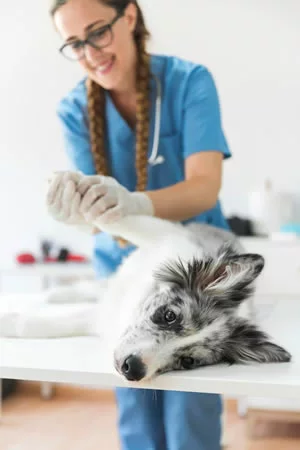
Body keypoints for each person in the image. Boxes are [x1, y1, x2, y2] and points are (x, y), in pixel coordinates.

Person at [47, 1, 232, 449]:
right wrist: (77, 211)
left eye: (97, 33)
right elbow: (100, 221)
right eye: (74, 44)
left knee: (191, 409)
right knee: (136, 403)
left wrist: (135, 203)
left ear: (129, 16)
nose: (90, 53)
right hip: (125, 276)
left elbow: (204, 187)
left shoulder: (189, 83)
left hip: (193, 277)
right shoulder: (74, 109)